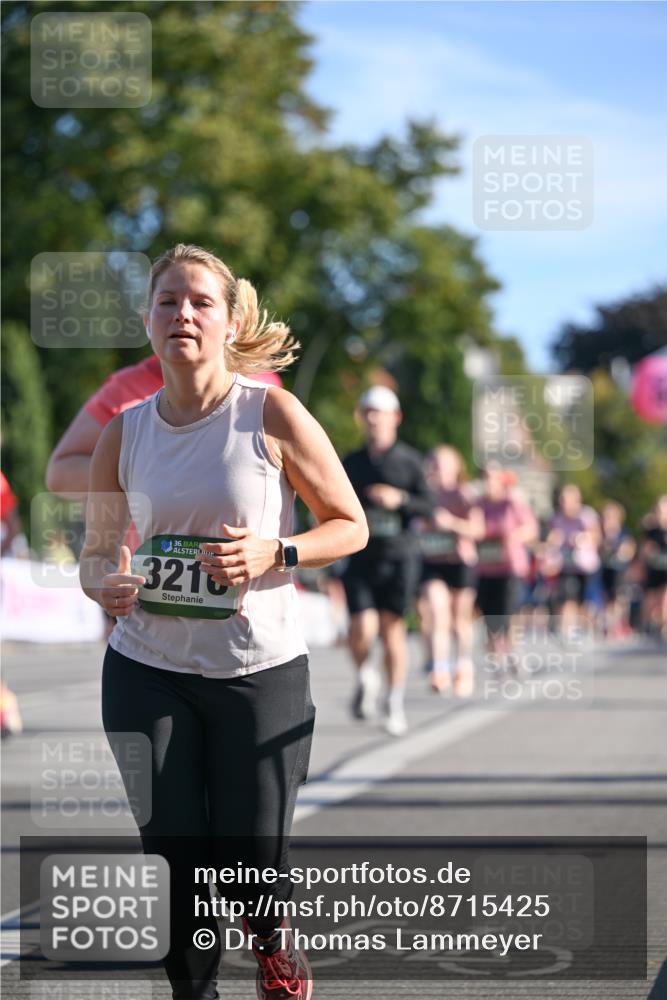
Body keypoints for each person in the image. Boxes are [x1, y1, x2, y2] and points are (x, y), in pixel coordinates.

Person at [79, 243, 368, 1000]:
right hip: (146, 669)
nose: (183, 314)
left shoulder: (269, 412)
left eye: (200, 301)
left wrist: (280, 549)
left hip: (258, 671)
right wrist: (104, 582)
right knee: (173, 864)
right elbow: (96, 552)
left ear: (229, 320)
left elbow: (350, 524)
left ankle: (274, 942)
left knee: (249, 871)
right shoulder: (123, 432)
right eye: (168, 301)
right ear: (148, 321)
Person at [341, 385, 432, 736]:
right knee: (360, 629)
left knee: (393, 631)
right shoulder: (352, 462)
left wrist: (400, 499)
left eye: (380, 413)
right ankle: (366, 677)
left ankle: (394, 703)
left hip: (400, 556)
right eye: (368, 412)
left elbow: (429, 504)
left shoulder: (410, 460)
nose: (374, 419)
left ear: (396, 418)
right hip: (362, 556)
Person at [414, 446, 483, 696]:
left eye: (440, 465)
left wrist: (451, 523)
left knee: (459, 619)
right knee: (436, 610)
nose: (434, 470)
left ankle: (464, 666)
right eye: (431, 464)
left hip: (460, 561)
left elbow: (478, 530)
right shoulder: (425, 495)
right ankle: (440, 668)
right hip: (433, 560)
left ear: (455, 468)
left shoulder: (464, 494)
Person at [476, 466, 538, 666]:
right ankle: (496, 657)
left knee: (508, 612)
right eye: (485, 478)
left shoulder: (512, 503)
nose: (488, 483)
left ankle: (512, 652)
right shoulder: (478, 505)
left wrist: (513, 537)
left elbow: (531, 529)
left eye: (492, 478)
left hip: (510, 568)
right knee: (489, 615)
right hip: (485, 568)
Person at [545, 484, 601, 633]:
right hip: (565, 564)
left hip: (585, 565)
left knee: (583, 599)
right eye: (562, 499)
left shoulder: (586, 515)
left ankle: (584, 627)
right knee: (566, 596)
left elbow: (596, 536)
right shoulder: (556, 518)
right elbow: (551, 538)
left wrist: (581, 538)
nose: (564, 503)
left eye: (568, 499)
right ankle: (566, 629)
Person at [599, 501, 635, 638]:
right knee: (607, 598)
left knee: (620, 599)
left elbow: (629, 549)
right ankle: (609, 625)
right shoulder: (602, 534)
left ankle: (620, 624)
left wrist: (622, 552)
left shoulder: (623, 533)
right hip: (605, 570)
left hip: (620, 571)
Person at [639, 494, 667, 641]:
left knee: (664, 597)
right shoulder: (651, 530)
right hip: (654, 568)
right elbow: (645, 549)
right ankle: (650, 625)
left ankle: (663, 627)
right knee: (651, 599)